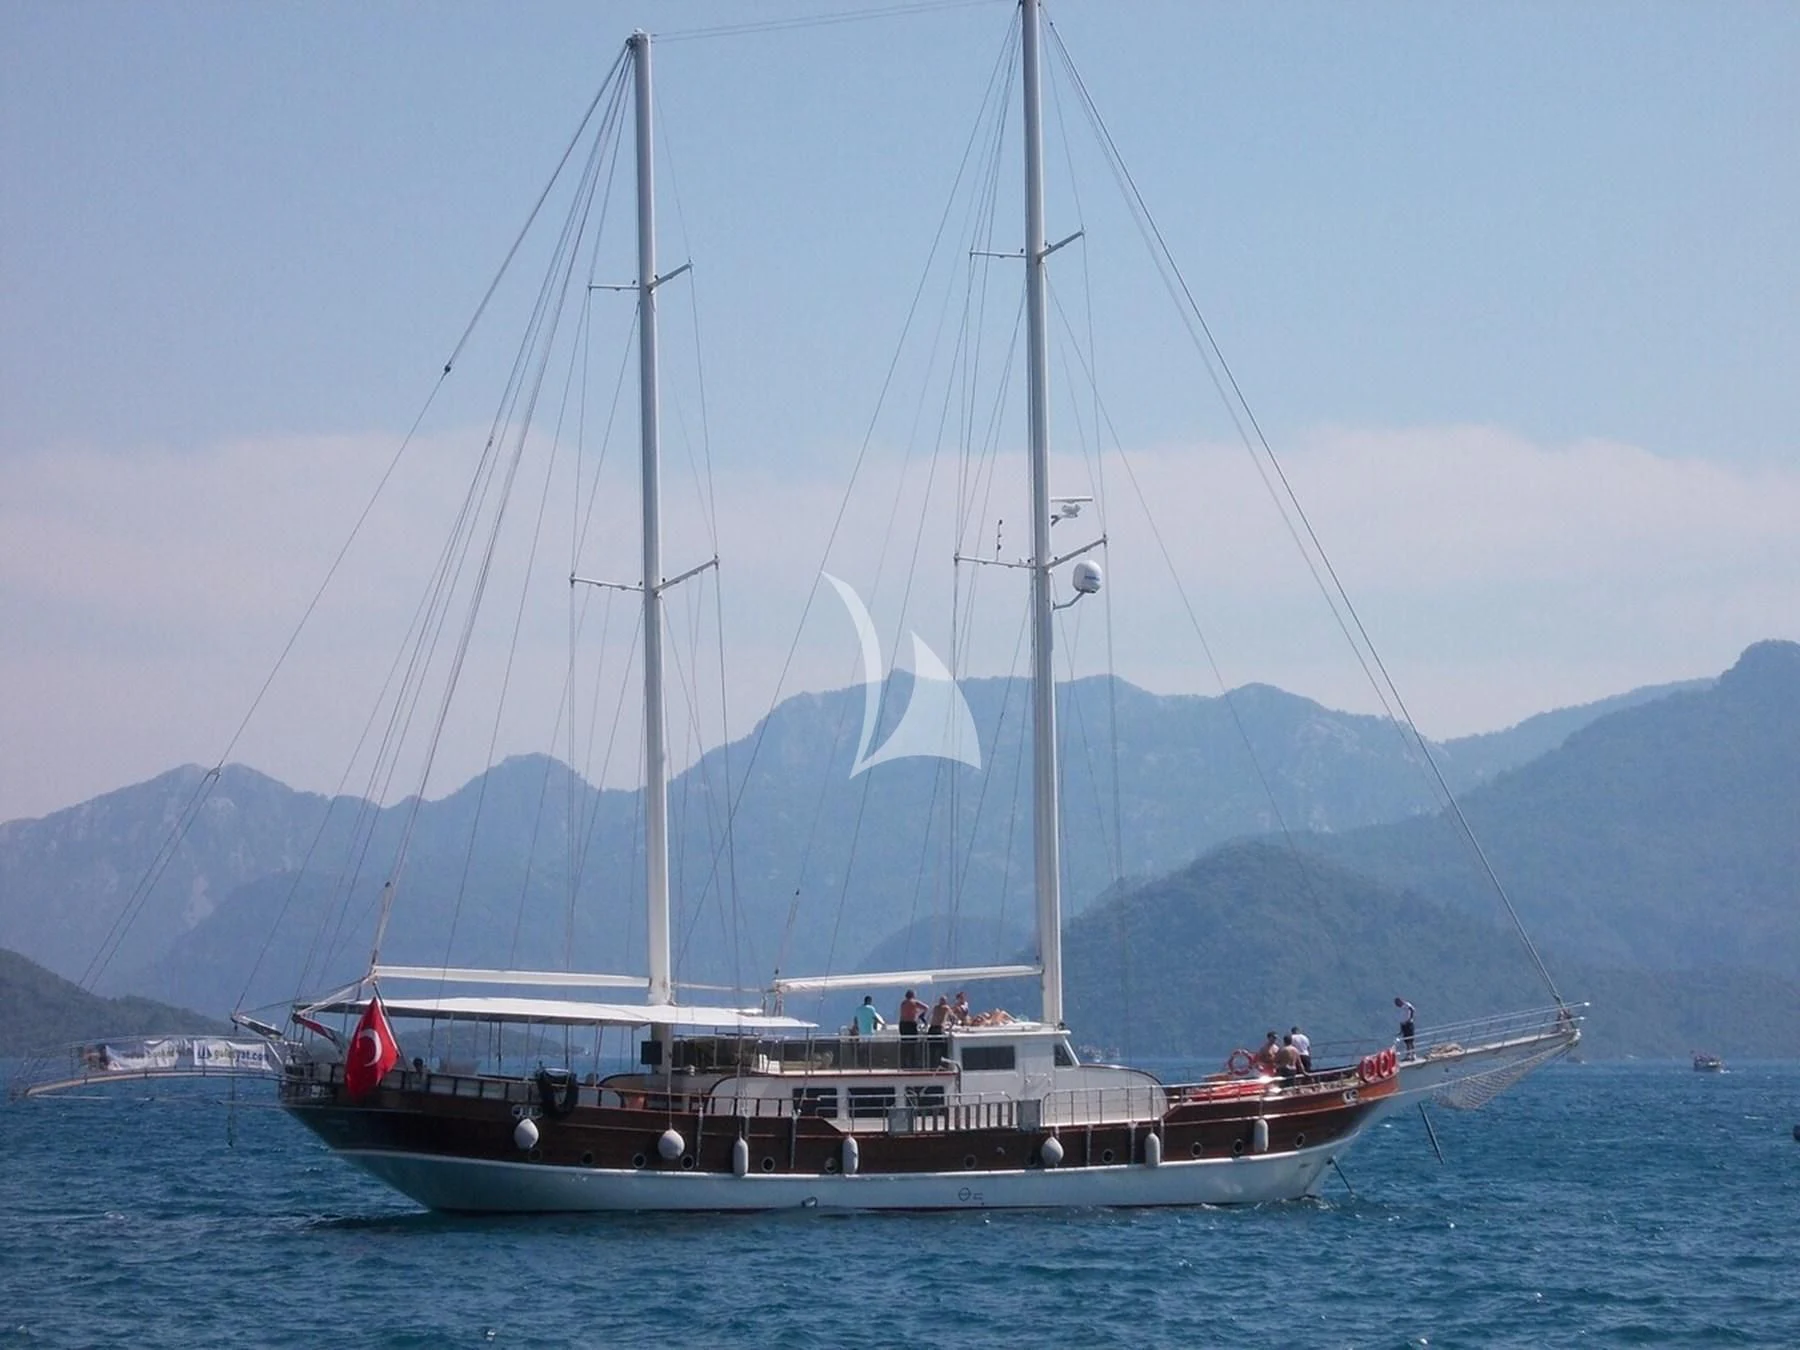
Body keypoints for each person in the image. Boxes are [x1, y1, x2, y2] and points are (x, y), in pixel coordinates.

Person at [898, 988, 928, 1067]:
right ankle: (913, 1062)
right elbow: (926, 1007)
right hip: (911, 1024)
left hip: (902, 1024)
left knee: (904, 1043)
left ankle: (903, 1062)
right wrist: (921, 1015)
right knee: (913, 1043)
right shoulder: (915, 1002)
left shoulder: (903, 1003)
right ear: (913, 995)